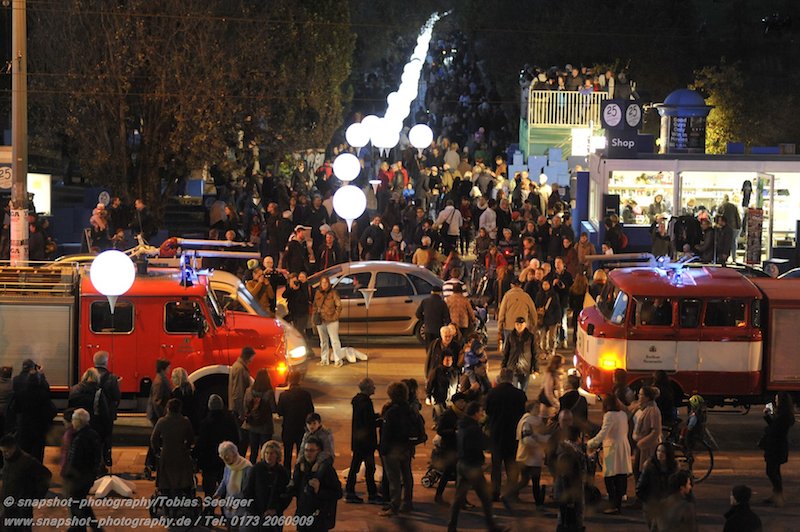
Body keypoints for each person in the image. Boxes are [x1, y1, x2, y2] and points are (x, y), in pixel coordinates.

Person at [447, 401, 503, 532]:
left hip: (462, 463)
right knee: (485, 497)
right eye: (480, 412)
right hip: (472, 465)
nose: (482, 414)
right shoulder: (473, 429)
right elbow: (485, 443)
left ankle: (451, 526)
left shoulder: (462, 425)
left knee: (458, 497)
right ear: (475, 413)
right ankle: (492, 526)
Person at [485, 368, 527, 503]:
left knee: (496, 466)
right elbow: (522, 413)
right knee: (511, 465)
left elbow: (487, 411)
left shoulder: (492, 393)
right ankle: (512, 493)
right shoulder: (519, 395)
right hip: (512, 434)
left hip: (496, 433)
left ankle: (495, 492)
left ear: (500, 378)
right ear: (511, 378)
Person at [587, 394, 632, 515]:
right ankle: (618, 503)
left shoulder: (609, 415)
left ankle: (613, 504)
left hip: (612, 448)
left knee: (610, 476)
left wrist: (591, 443)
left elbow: (603, 433)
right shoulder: (622, 414)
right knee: (621, 475)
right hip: (623, 445)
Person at [287, 436, 343, 531]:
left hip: (320, 519)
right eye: (306, 450)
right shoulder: (300, 467)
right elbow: (297, 490)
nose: (308, 453)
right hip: (303, 517)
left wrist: (319, 491)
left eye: (312, 450)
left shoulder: (326, 469)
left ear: (319, 451)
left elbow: (338, 493)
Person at [378, 382, 416, 517]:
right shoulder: (410, 409)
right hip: (406, 448)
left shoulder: (391, 412)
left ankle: (394, 506)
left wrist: (383, 450)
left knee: (394, 478)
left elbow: (386, 434)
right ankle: (407, 502)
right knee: (407, 476)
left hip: (392, 450)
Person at [0, 434, 52, 531]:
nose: (4, 454)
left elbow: (46, 475)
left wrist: (35, 496)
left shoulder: (28, 461)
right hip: (8, 506)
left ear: (14, 448)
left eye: (6, 451)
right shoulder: (8, 459)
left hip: (21, 508)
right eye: (2, 451)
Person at [62, 408, 102, 532]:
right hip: (88, 476)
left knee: (76, 502)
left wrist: (67, 473)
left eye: (74, 420)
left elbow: (73, 460)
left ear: (78, 422)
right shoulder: (93, 434)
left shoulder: (79, 439)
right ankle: (93, 527)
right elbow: (96, 458)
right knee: (81, 502)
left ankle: (80, 528)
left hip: (78, 477)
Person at [9, 359, 55, 462]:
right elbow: (51, 409)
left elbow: (14, 408)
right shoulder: (42, 394)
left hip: (23, 426)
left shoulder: (19, 388)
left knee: (24, 450)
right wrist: (42, 376)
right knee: (38, 452)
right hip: (39, 427)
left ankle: (24, 472)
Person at [194, 394, 240, 497]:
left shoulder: (206, 423)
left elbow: (201, 442)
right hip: (226, 460)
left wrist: (195, 455)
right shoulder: (230, 421)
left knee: (209, 489)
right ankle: (225, 509)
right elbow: (236, 439)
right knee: (224, 486)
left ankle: (209, 508)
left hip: (209, 461)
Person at [345, 378, 381, 504]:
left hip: (359, 441)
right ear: (367, 388)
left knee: (355, 466)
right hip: (366, 442)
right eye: (372, 386)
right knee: (369, 468)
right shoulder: (365, 403)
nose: (374, 388)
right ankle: (372, 494)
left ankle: (350, 491)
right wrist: (380, 420)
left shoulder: (358, 401)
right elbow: (368, 422)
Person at [151, 398, 195, 499]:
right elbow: (191, 439)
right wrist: (187, 447)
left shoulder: (162, 422)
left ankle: (167, 503)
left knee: (165, 481)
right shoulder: (185, 421)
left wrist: (157, 451)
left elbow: (154, 439)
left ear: (168, 408)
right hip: (181, 454)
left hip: (166, 454)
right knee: (182, 479)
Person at [242, 440, 290, 531]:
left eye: (272, 453)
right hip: (255, 515)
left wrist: (276, 510)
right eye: (266, 453)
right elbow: (247, 491)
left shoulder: (283, 472)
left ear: (277, 455)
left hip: (274, 515)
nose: (269, 456)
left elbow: (286, 495)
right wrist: (255, 511)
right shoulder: (255, 469)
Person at [760, 391, 795, 506]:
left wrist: (767, 430)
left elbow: (775, 430)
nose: (775, 401)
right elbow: (774, 426)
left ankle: (778, 495)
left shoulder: (783, 416)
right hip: (778, 446)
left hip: (776, 447)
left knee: (771, 471)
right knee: (775, 471)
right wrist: (767, 417)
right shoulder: (783, 414)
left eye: (777, 400)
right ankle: (776, 494)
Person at [433, 392, 467, 505]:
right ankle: (439, 496)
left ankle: (461, 499)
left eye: (463, 401)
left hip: (459, 447)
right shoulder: (448, 414)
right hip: (449, 448)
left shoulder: (463, 414)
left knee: (460, 475)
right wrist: (453, 431)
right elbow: (439, 430)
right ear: (454, 402)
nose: (462, 404)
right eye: (460, 401)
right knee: (448, 473)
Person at [277, 372, 315, 471]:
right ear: (299, 380)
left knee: (287, 455)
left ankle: (286, 478)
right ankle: (299, 477)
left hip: (288, 428)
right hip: (301, 429)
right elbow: (311, 411)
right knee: (301, 455)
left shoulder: (284, 395)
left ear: (289, 380)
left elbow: (280, 412)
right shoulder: (306, 395)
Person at [514, 400, 549, 508]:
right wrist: (540, 442)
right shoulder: (527, 422)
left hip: (531, 456)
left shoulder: (535, 421)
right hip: (528, 456)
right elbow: (527, 439)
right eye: (536, 408)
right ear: (530, 409)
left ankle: (509, 494)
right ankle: (538, 502)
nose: (538, 410)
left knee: (528, 480)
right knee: (533, 480)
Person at [636, 442, 678, 529]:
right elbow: (640, 487)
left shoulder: (674, 468)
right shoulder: (649, 466)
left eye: (663, 452)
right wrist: (648, 501)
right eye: (658, 451)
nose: (660, 454)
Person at [554, 426, 588, 532]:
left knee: (568, 520)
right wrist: (570, 499)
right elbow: (565, 477)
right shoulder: (568, 453)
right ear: (577, 437)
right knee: (568, 521)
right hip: (569, 494)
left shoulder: (570, 450)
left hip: (571, 493)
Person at [91, 350, 120, 467]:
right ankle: (106, 460)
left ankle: (96, 461)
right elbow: (117, 396)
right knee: (106, 437)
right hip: (107, 413)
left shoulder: (89, 375)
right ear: (106, 362)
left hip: (93, 413)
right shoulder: (111, 378)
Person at [242, 368, 277, 464]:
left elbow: (245, 407)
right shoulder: (269, 393)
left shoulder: (249, 391)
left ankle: (251, 471)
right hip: (265, 426)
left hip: (252, 425)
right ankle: (264, 470)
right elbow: (274, 409)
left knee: (253, 451)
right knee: (265, 451)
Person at [214, 441, 253, 524]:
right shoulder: (228, 466)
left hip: (242, 505)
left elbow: (248, 489)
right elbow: (224, 481)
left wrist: (236, 500)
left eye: (227, 457)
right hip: (229, 505)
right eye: (223, 458)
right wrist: (218, 493)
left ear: (235, 454)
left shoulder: (247, 467)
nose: (225, 460)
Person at [145, 358, 171, 478]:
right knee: (156, 439)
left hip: (156, 415)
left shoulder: (160, 379)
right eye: (168, 367)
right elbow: (157, 401)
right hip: (157, 415)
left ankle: (151, 464)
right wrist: (162, 417)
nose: (169, 369)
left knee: (157, 439)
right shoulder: (160, 381)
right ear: (164, 368)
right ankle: (150, 464)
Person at [633, 386, 663, 480]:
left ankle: (642, 492)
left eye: (641, 394)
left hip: (647, 447)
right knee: (639, 471)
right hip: (641, 445)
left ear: (647, 397)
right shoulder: (644, 408)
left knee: (642, 472)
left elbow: (656, 431)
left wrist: (642, 442)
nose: (638, 396)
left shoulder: (653, 410)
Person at [229, 346, 255, 455]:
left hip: (237, 408)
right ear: (248, 357)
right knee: (243, 439)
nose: (252, 360)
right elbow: (238, 392)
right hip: (239, 410)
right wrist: (241, 413)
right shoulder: (240, 369)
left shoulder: (237, 367)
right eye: (252, 358)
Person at [313, 276, 344, 367]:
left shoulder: (333, 293)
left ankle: (338, 360)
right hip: (321, 319)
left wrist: (335, 316)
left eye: (326, 282)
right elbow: (315, 306)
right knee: (323, 341)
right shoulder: (318, 293)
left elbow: (339, 305)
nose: (324, 284)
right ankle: (324, 359)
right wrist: (314, 317)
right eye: (322, 283)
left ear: (328, 283)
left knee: (334, 341)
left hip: (331, 320)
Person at [497, 277, 538, 346]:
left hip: (509, 326)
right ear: (520, 286)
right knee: (522, 346)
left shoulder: (507, 296)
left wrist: (500, 327)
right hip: (522, 326)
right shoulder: (526, 296)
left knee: (508, 347)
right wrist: (534, 324)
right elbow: (533, 311)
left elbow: (502, 313)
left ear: (511, 285)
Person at [501, 316, 537, 392]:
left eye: (521, 324)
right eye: (517, 324)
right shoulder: (511, 336)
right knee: (514, 389)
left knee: (523, 390)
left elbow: (534, 353)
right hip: (512, 366)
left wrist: (536, 368)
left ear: (525, 324)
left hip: (525, 367)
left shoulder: (530, 337)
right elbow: (506, 352)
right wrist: (503, 365)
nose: (519, 326)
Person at [426, 353, 459, 424]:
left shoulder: (455, 372)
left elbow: (457, 385)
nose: (448, 361)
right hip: (439, 399)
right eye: (446, 359)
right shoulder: (437, 371)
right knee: (441, 417)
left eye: (450, 360)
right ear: (443, 360)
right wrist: (428, 396)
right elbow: (430, 384)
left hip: (450, 400)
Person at [416, 285, 451, 349]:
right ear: (440, 293)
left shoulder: (425, 301)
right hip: (438, 330)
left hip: (427, 329)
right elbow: (447, 318)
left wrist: (424, 319)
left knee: (429, 348)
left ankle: (429, 358)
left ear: (431, 292)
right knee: (437, 348)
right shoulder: (442, 303)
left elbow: (418, 314)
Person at [534, 279, 562, 356]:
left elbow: (557, 307)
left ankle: (551, 350)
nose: (545, 286)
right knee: (542, 337)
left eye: (547, 284)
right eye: (544, 284)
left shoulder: (554, 295)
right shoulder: (539, 294)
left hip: (552, 318)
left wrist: (558, 319)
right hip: (542, 319)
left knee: (551, 337)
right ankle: (544, 351)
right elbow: (536, 305)